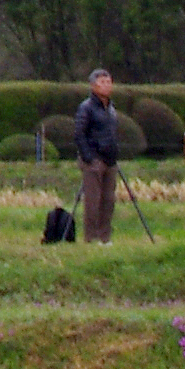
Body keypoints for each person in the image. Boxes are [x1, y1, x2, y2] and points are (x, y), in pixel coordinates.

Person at [73, 70, 125, 244]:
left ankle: (105, 237)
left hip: (110, 160)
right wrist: (88, 157)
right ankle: (91, 238)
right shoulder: (86, 107)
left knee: (108, 201)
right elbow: (79, 133)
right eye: (102, 82)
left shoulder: (111, 108)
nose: (107, 85)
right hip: (94, 160)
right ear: (93, 86)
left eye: (109, 81)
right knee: (93, 202)